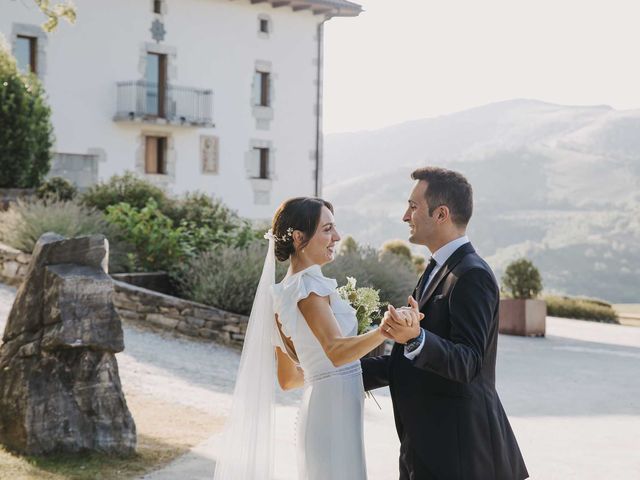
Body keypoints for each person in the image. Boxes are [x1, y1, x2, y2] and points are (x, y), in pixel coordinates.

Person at [213, 196, 421, 480]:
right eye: (327, 229)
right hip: (333, 416)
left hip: (323, 409)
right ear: (299, 237)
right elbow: (335, 351)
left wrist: (322, 374)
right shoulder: (310, 287)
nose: (336, 236)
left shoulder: (281, 293)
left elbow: (288, 379)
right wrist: (386, 330)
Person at [361, 166, 529, 480]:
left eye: (412, 206)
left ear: (441, 214)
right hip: (426, 450)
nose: (405, 216)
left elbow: (469, 362)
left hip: (460, 456)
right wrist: (335, 371)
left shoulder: (471, 274)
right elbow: (410, 362)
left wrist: (416, 338)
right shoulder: (438, 267)